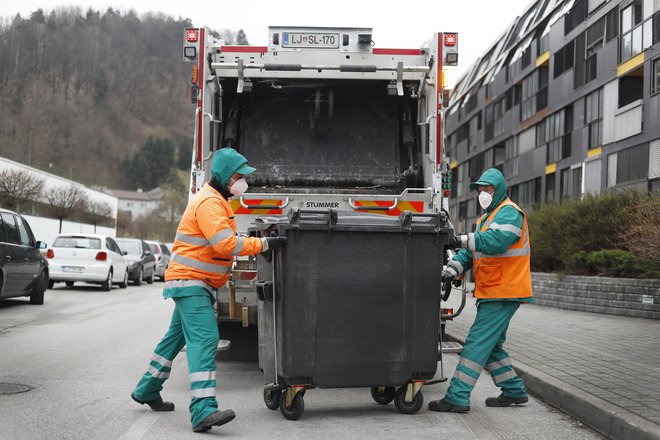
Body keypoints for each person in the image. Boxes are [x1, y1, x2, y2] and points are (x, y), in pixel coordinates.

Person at [130, 148, 286, 433]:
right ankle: (202, 410)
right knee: (205, 338)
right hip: (192, 281)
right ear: (226, 175)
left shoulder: (216, 200)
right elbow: (225, 244)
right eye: (239, 176)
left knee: (173, 341)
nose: (243, 182)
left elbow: (223, 240)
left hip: (191, 281)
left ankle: (146, 389)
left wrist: (258, 239)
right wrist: (264, 245)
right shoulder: (209, 203)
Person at [429, 167, 533, 413]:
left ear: (498, 190)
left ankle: (457, 397)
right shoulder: (487, 218)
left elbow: (496, 242)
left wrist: (461, 238)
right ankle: (514, 391)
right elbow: (471, 251)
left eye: (488, 189)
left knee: (476, 342)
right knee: (492, 346)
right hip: (495, 290)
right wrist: (451, 270)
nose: (483, 194)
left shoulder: (509, 212)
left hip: (504, 290)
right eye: (480, 190)